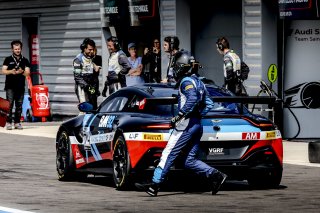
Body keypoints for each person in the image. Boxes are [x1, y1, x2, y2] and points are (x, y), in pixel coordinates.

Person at [135, 50, 227, 197]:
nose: (174, 68)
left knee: (168, 153)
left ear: (182, 67)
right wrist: (197, 115)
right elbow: (209, 103)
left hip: (186, 125)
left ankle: (154, 185)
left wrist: (180, 116)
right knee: (189, 160)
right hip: (197, 124)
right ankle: (216, 175)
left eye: (176, 66)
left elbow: (192, 99)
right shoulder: (200, 82)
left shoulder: (186, 82)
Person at [2, 40, 30, 130]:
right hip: (10, 86)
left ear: (21, 49)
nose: (17, 50)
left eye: (19, 49)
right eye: (15, 49)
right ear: (12, 49)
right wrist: (11, 71)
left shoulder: (25, 60)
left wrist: (22, 72)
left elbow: (28, 73)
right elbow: (3, 71)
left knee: (19, 105)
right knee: (9, 105)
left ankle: (17, 123)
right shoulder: (8, 59)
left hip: (20, 86)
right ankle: (8, 122)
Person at [73, 38, 101, 110]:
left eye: (92, 49)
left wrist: (96, 70)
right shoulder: (78, 59)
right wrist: (87, 87)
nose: (91, 51)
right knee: (85, 109)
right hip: (83, 88)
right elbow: (77, 77)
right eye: (89, 49)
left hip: (92, 88)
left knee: (93, 109)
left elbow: (93, 76)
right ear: (84, 48)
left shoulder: (92, 59)